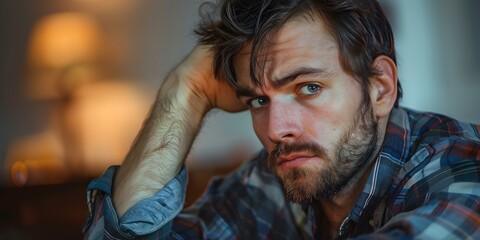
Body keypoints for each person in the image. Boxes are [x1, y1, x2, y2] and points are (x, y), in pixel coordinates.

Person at [83, 0, 480, 239]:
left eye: (308, 88)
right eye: (258, 99)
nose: (275, 130)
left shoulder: (459, 168)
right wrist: (186, 91)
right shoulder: (267, 183)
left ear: (379, 88)